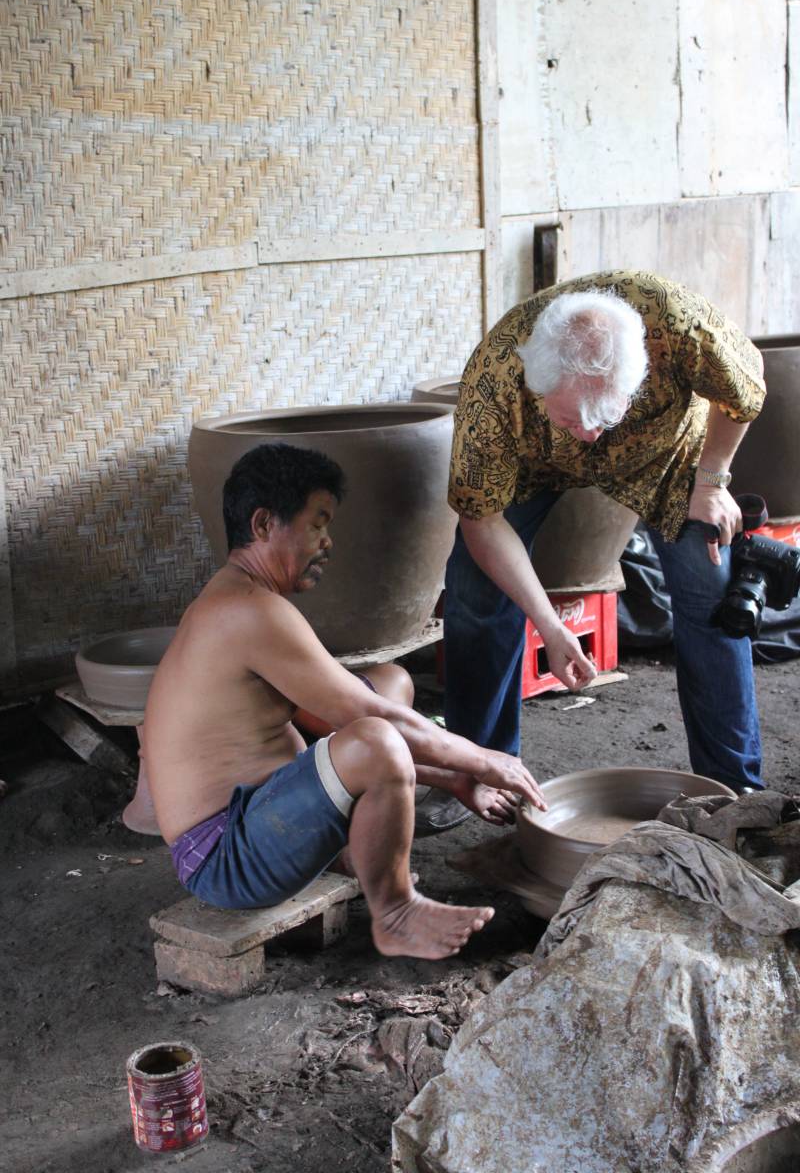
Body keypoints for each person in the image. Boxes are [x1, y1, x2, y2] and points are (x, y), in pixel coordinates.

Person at [143, 442, 547, 961]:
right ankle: (395, 913)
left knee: (388, 681)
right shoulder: (248, 611)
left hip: (256, 817)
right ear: (264, 524)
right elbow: (368, 724)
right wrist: (487, 758)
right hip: (225, 859)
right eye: (317, 524)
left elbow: (330, 719)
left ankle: (352, 857)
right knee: (378, 735)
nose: (328, 541)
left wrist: (453, 777)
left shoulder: (239, 599)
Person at [443, 270, 766, 794]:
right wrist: (547, 623)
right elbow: (482, 520)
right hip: (534, 462)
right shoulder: (495, 383)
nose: (592, 432)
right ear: (537, 385)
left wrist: (712, 481)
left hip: (661, 451)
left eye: (606, 411)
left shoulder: (675, 323)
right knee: (473, 592)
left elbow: (745, 391)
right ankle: (480, 772)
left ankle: (731, 787)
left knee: (711, 586)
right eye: (575, 416)